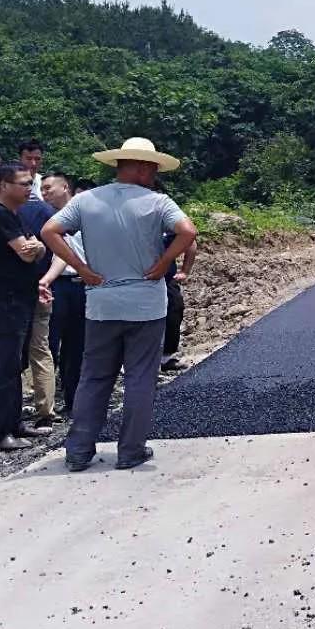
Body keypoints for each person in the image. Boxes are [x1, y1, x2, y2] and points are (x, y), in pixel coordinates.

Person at [41, 138, 197, 472]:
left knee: (95, 377)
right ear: (141, 167)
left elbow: (50, 230)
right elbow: (187, 231)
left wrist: (82, 268)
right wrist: (164, 263)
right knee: (140, 377)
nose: (155, 175)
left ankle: (79, 451)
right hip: (146, 305)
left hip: (102, 304)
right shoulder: (157, 202)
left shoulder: (86, 200)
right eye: (153, 168)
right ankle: (131, 451)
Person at [0, 164, 51, 451]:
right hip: (6, 299)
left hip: (21, 298)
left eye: (31, 183)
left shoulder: (15, 215)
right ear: (4, 185)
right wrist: (34, 249)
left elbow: (38, 247)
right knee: (4, 368)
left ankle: (14, 422)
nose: (29, 189)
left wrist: (36, 249)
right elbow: (26, 252)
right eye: (23, 183)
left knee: (15, 365)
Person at [39, 173, 86, 414]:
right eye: (41, 189)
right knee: (50, 342)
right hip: (58, 285)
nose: (44, 192)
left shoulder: (86, 214)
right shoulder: (45, 218)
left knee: (77, 344)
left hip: (84, 285)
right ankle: (47, 400)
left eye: (48, 188)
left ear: (65, 187)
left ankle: (73, 398)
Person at [18, 185, 58, 425]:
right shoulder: (47, 211)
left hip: (14, 294)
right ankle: (46, 410)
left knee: (8, 352)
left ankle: (8, 410)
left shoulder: (1, 215)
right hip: (43, 289)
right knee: (41, 350)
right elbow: (59, 251)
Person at [161, 232, 198, 372]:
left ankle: (165, 358)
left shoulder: (167, 222)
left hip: (165, 278)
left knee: (174, 309)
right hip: (136, 279)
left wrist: (185, 271)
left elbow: (191, 241)